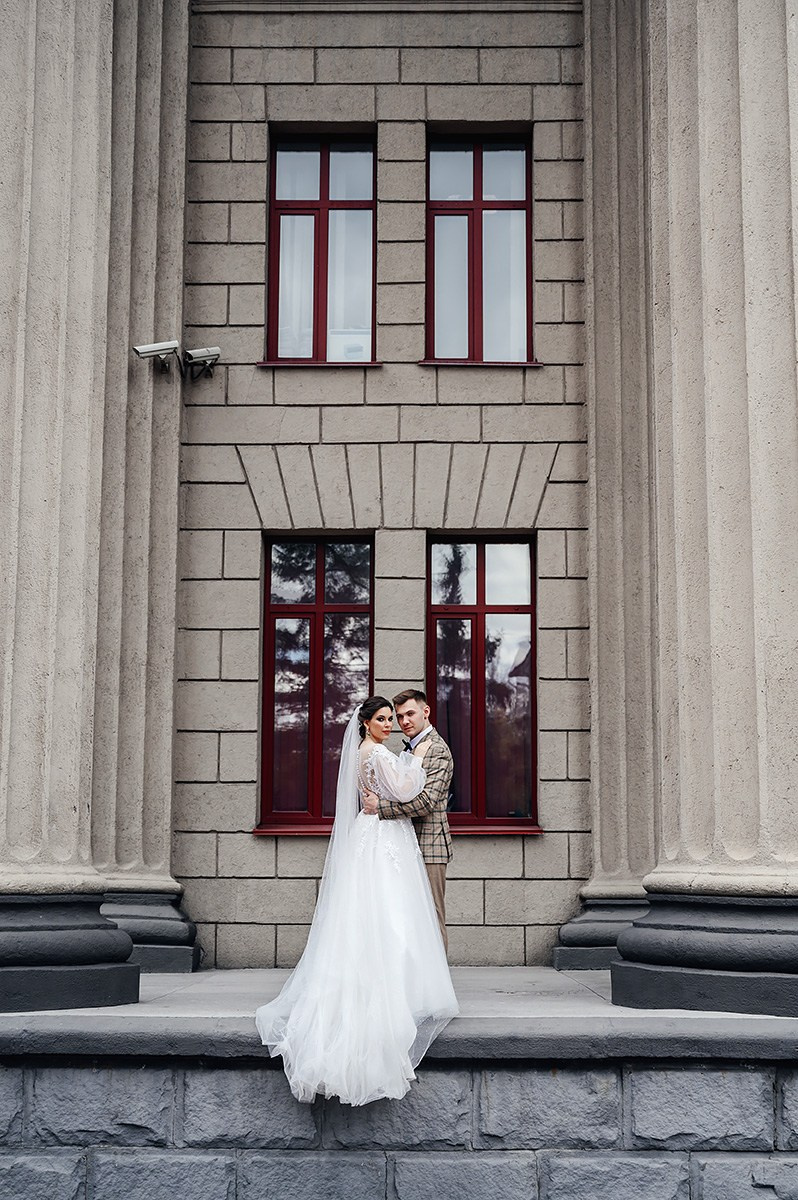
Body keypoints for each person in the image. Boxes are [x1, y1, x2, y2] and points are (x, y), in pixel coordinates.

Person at [254, 696, 458, 1107]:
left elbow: (424, 799)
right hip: (386, 836)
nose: (394, 723)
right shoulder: (381, 751)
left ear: (425, 714)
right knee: (393, 912)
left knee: (387, 913)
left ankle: (406, 984)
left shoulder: (414, 748)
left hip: (380, 831)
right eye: (386, 718)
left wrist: (393, 783)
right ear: (366, 723)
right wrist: (410, 765)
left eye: (400, 716)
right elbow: (409, 789)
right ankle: (403, 990)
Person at [362, 689, 453, 953]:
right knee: (410, 921)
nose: (403, 722)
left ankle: (437, 988)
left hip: (430, 846)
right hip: (405, 843)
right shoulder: (409, 747)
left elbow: (426, 803)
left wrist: (381, 808)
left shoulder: (437, 750)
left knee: (432, 918)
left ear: (426, 712)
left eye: (410, 714)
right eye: (399, 716)